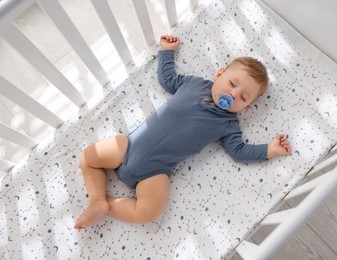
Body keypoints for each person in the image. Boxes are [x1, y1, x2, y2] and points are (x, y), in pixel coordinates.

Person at [74, 35, 291, 229]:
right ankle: (97, 199)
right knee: (88, 157)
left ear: (247, 108)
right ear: (220, 74)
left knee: (147, 213)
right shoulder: (194, 84)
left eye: (243, 98)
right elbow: (168, 80)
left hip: (155, 173)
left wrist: (268, 150)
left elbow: (239, 151)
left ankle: (108, 205)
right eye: (232, 83)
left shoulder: (229, 124)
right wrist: (167, 52)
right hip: (128, 147)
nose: (233, 94)